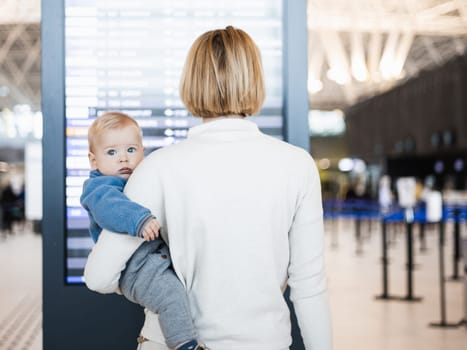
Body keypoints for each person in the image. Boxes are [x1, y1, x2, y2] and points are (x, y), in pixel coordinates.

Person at [84, 26, 332, 349]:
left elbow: (98, 276)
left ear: (190, 82)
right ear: (255, 79)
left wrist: (153, 284)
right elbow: (309, 287)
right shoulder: (297, 165)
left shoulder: (156, 168)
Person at [80, 111, 206, 350]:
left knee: (180, 293)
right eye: (111, 152)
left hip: (152, 260)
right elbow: (110, 208)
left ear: (142, 151)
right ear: (94, 160)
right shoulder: (99, 188)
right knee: (170, 297)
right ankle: (183, 343)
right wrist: (139, 219)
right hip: (135, 268)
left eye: (131, 150)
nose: (123, 159)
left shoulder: (140, 178)